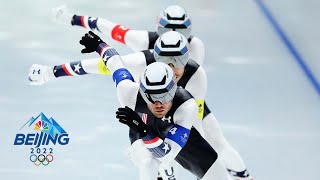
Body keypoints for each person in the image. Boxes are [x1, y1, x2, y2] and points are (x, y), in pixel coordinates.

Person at [29, 31, 253, 180]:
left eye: (164, 95)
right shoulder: (128, 91)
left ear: (175, 89)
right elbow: (109, 62)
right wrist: (52, 71)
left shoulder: (187, 103)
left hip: (171, 125)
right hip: (143, 126)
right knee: (146, 163)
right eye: (151, 96)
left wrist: (148, 134)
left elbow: (169, 152)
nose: (158, 104)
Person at [52, 4, 205, 65]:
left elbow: (106, 27)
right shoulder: (142, 41)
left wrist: (72, 19)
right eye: (169, 30)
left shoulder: (195, 45)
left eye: (180, 31)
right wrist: (72, 19)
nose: (174, 36)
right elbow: (107, 26)